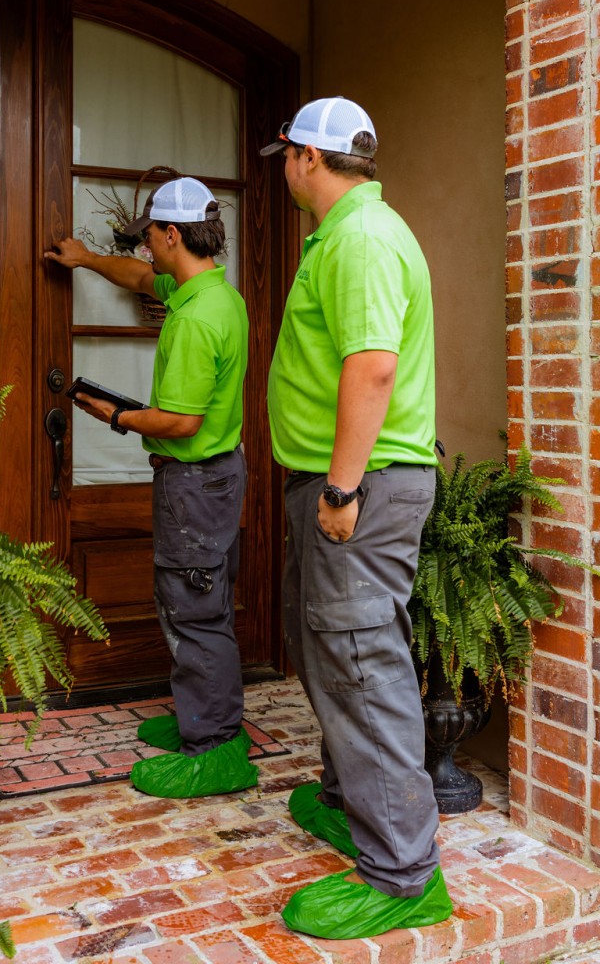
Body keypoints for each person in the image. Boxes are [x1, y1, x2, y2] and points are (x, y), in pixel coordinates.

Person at [262, 98, 452, 939]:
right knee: (327, 648)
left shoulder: (362, 239)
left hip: (359, 489)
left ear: (307, 157)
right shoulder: (348, 233)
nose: (284, 169)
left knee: (359, 662)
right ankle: (351, 803)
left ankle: (404, 874)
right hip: (346, 483)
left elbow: (372, 369)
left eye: (286, 156)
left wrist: (341, 492)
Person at [45, 176, 256, 800]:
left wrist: (113, 414)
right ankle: (210, 720)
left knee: (191, 610)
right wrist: (86, 259)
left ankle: (214, 747)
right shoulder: (215, 293)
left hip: (192, 482)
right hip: (218, 476)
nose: (145, 250)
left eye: (150, 237)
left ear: (171, 234)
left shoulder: (196, 320)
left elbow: (181, 422)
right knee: (208, 603)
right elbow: (139, 278)